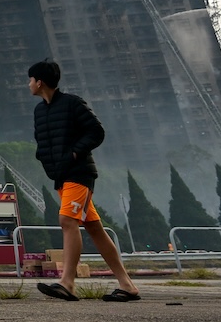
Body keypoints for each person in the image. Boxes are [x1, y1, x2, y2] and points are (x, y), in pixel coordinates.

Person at [28, 59, 140, 303]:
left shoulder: (72, 103)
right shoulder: (39, 111)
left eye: (30, 80)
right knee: (94, 229)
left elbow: (96, 132)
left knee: (67, 220)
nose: (28, 85)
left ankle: (67, 283)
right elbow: (42, 141)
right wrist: (44, 158)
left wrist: (74, 153)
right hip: (60, 176)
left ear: (40, 82)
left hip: (79, 173)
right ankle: (127, 285)